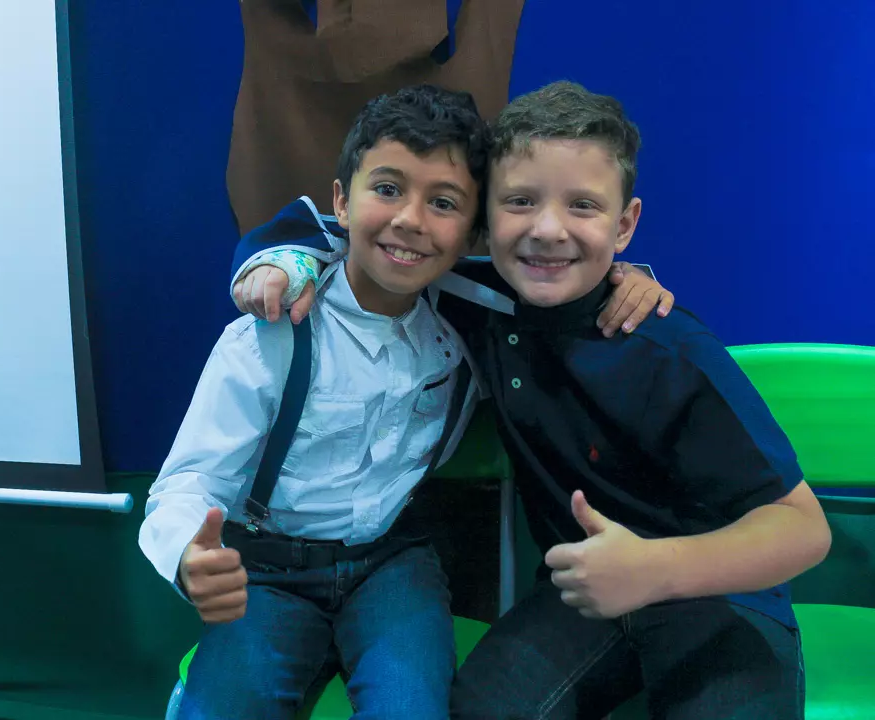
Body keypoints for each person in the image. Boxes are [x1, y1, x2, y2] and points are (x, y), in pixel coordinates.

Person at [229, 80, 831, 718]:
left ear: (625, 225)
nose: (547, 229)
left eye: (583, 206)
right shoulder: (470, 299)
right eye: (520, 201)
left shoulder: (669, 349)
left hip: (717, 594)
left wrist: (654, 569)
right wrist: (276, 263)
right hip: (580, 595)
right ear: (484, 218)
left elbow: (803, 528)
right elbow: (340, 230)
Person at [142, 84, 492, 720]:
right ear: (341, 202)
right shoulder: (274, 331)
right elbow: (189, 480)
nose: (411, 219)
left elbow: (559, 291)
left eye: (443, 203)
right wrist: (189, 550)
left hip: (390, 564)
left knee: (412, 709)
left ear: (471, 232)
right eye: (387, 189)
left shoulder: (467, 335)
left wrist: (631, 281)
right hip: (268, 567)